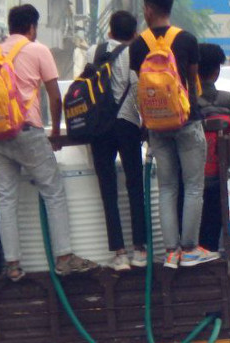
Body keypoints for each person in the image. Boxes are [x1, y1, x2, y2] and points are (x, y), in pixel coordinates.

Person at [0, 4, 97, 281]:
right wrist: (54, 130)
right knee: (53, 191)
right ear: (32, 27)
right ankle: (64, 257)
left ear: (9, 27)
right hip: (28, 131)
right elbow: (55, 96)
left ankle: (13, 265)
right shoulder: (38, 50)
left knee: (6, 199)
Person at [129, 0, 217, 268]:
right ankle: (190, 249)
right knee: (192, 186)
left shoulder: (138, 44)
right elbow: (192, 82)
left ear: (148, 10)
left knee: (166, 187)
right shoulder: (187, 39)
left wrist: (147, 118)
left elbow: (139, 87)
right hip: (186, 122)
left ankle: (171, 252)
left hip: (155, 125)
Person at [85, 10, 145, 271]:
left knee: (107, 189)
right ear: (134, 33)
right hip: (128, 122)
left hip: (99, 126)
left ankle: (119, 254)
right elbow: (140, 87)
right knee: (135, 186)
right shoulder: (136, 52)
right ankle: (140, 250)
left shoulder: (92, 52)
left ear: (109, 31)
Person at [197, 42, 230, 252]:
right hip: (221, 182)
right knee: (215, 229)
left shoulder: (188, 102)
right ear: (217, 72)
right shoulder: (229, 101)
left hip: (192, 182)